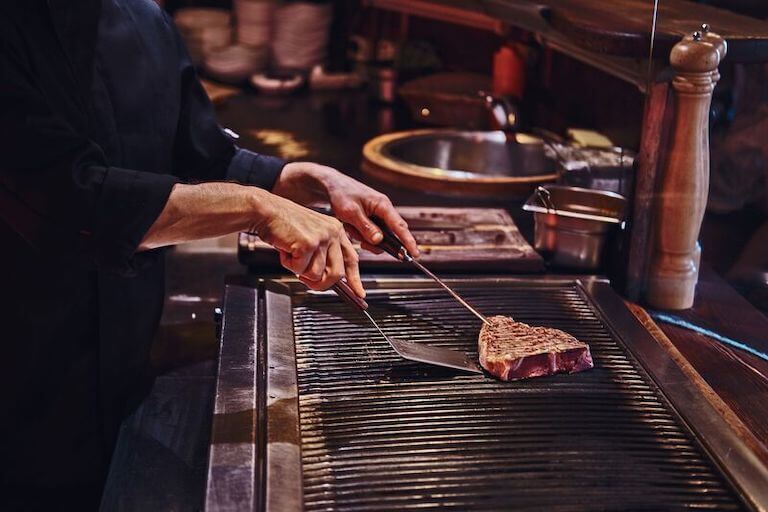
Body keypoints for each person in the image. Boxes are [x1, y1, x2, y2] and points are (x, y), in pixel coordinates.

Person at [0, 0, 418, 508]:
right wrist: (255, 207)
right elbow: (70, 201)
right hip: (24, 388)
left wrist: (305, 181)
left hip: (126, 377)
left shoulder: (144, 20)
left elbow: (203, 155)